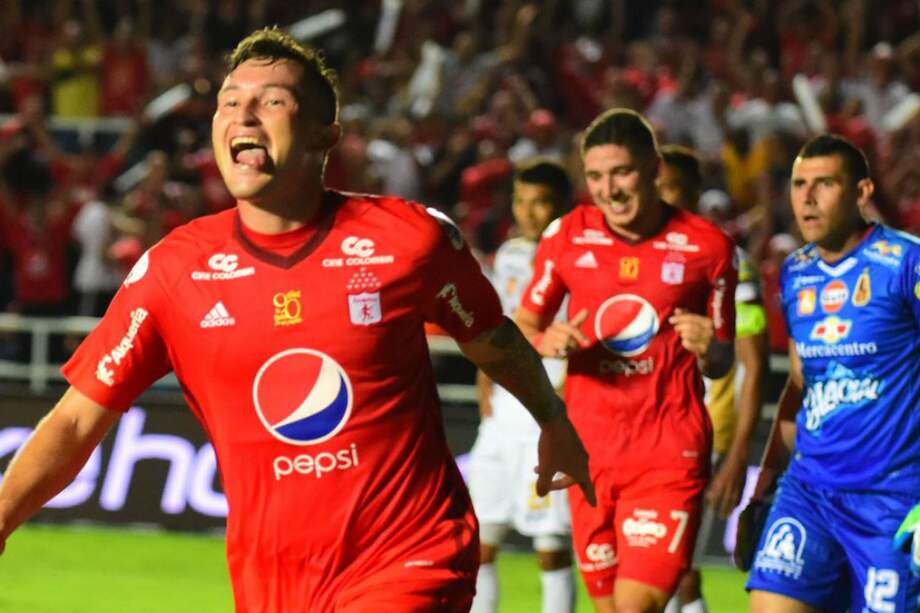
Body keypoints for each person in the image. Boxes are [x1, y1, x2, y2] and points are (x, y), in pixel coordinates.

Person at [0, 28, 595, 612]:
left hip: (412, 554)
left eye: (272, 102)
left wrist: (553, 419)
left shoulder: (411, 240)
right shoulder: (172, 271)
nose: (245, 116)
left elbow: (492, 338)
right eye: (230, 102)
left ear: (323, 136)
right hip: (275, 581)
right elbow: (77, 421)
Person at [514, 108, 738, 613]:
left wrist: (710, 346)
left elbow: (722, 362)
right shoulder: (566, 236)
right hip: (588, 454)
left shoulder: (708, 247)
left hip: (667, 452)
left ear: (654, 168)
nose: (608, 189)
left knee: (637, 606)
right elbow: (522, 328)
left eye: (622, 172)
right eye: (595, 175)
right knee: (610, 607)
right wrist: (545, 340)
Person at [742, 134, 920, 612]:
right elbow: (801, 383)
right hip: (810, 491)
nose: (807, 197)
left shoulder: (907, 262)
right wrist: (764, 484)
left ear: (862, 193)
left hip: (893, 500)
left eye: (824, 184)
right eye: (799, 184)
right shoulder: (795, 271)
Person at [657, 145, 769, 613]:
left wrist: (737, 455)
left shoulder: (727, 260)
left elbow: (755, 362)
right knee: (650, 565)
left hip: (704, 429)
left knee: (673, 566)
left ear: (695, 195)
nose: (657, 199)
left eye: (671, 189)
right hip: (643, 429)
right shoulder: (636, 255)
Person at [468, 158, 575, 613]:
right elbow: (498, 320)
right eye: (521, 201)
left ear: (562, 206)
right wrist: (483, 377)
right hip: (502, 409)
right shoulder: (510, 254)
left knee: (550, 545)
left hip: (547, 404)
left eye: (541, 203)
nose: (529, 212)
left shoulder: (577, 257)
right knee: (478, 542)